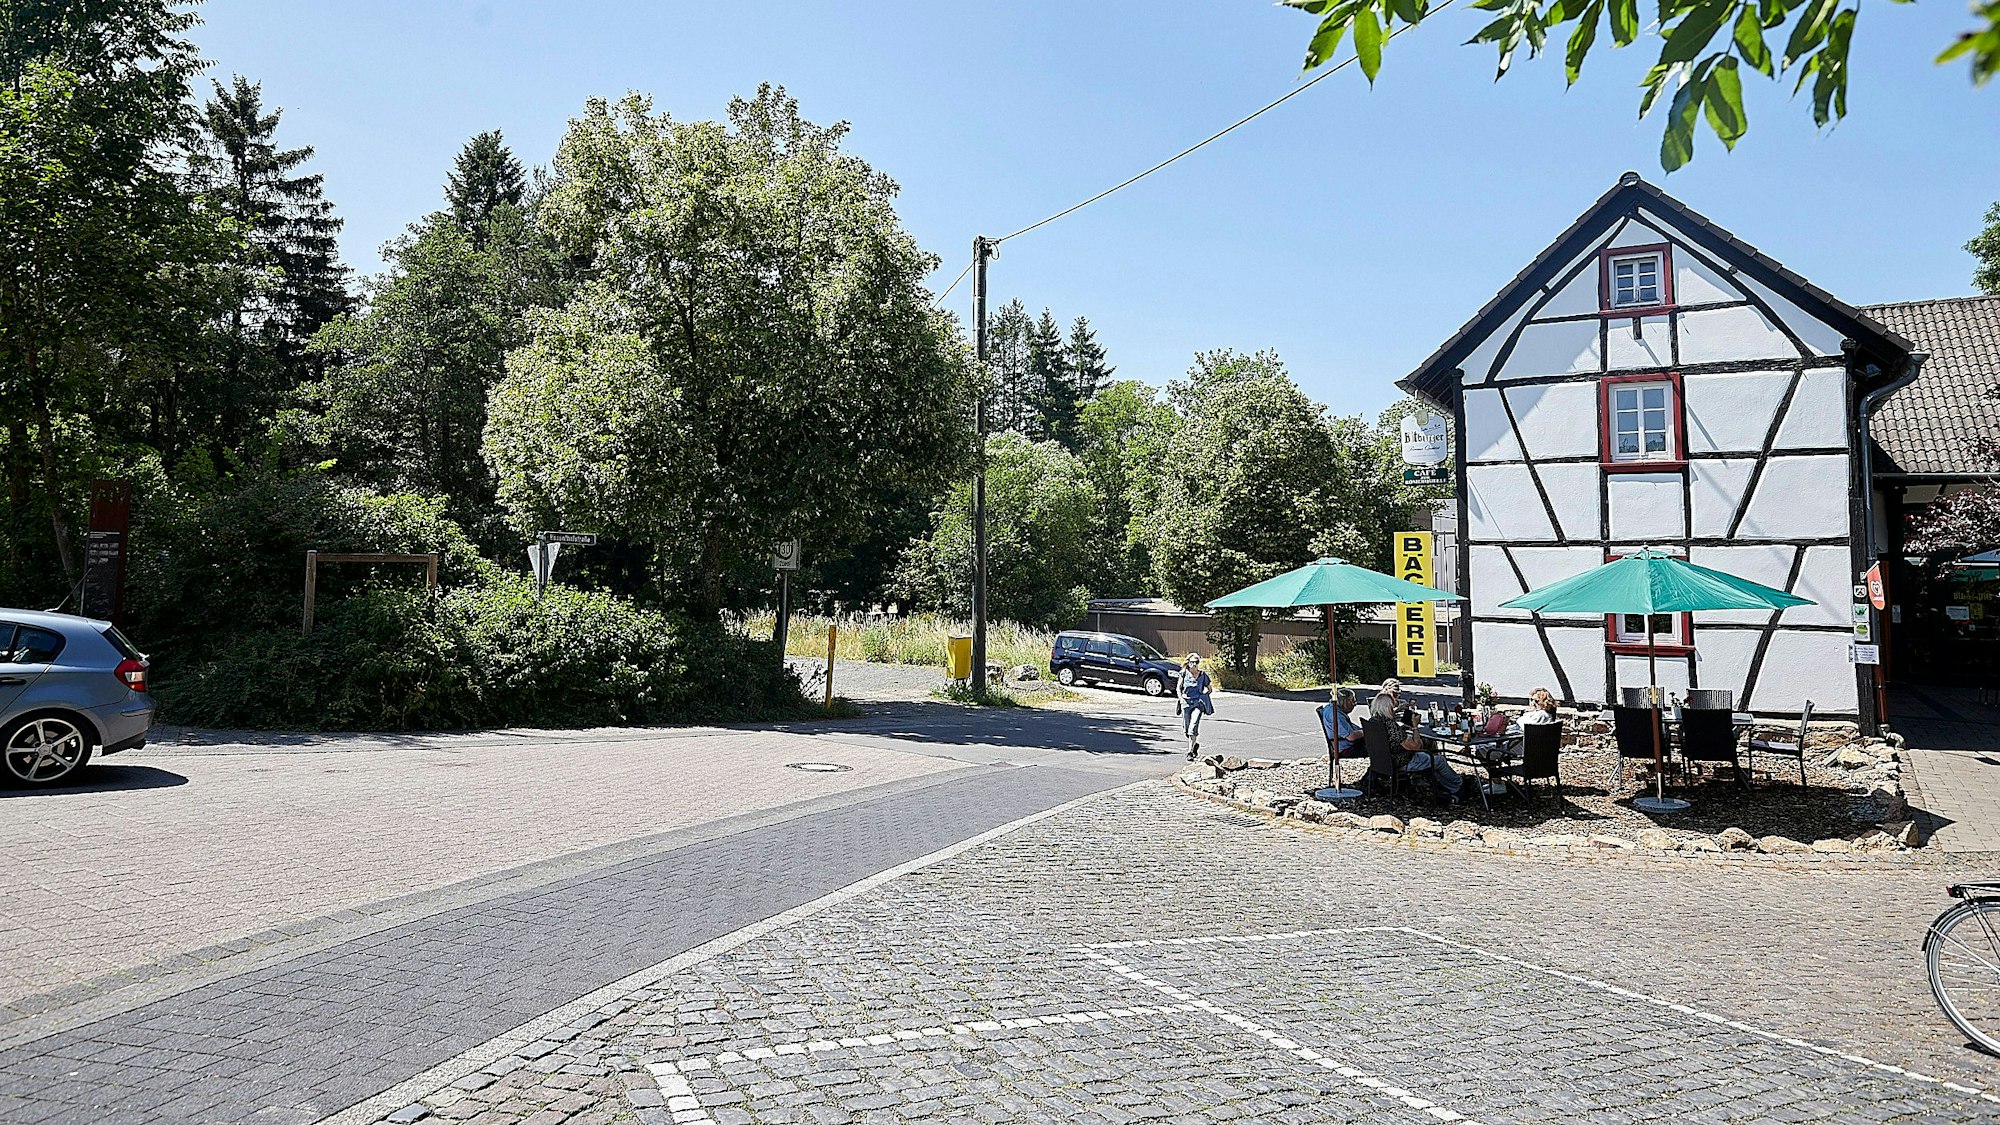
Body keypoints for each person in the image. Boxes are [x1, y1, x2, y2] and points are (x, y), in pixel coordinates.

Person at [1374, 683, 1469, 803]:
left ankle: (1447, 785)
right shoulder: (1390, 725)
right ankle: (1458, 785)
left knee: (1431, 755)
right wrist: (1414, 726)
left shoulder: (1375, 721)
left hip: (1383, 761)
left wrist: (1404, 729)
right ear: (1387, 707)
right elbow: (1416, 747)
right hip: (1402, 761)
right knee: (1438, 760)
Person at [1178, 653, 1213, 760]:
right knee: (1186, 729)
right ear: (1188, 663)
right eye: (1192, 662)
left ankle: (1190, 752)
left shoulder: (1203, 675)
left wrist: (1204, 696)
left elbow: (1209, 688)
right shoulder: (1184, 673)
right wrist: (1181, 699)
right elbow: (1178, 688)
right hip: (1186, 703)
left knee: (1193, 726)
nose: (1194, 665)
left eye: (1196, 662)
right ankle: (1195, 745)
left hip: (1198, 703)